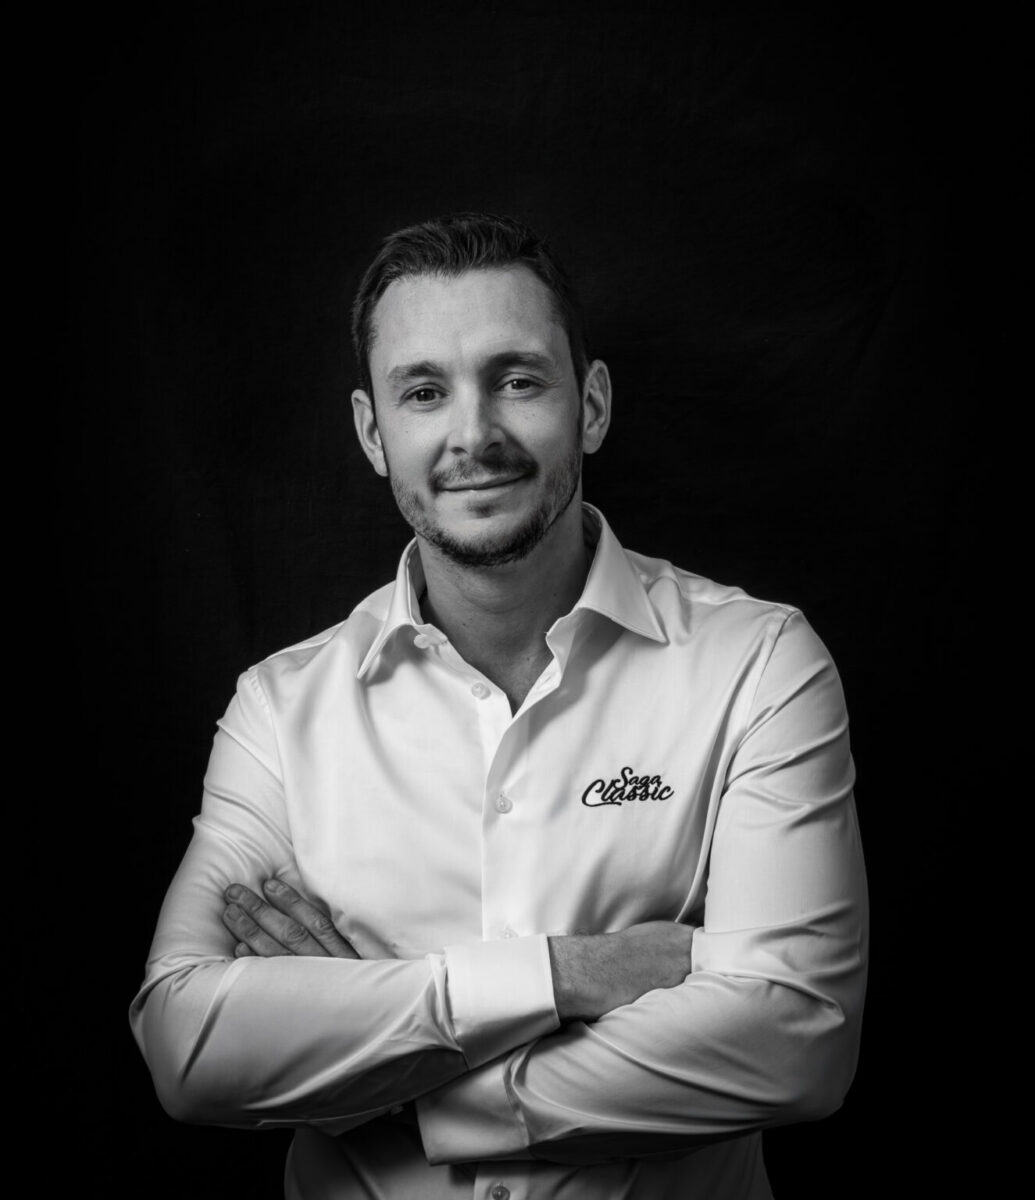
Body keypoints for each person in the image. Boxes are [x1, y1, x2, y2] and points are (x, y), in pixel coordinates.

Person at [130, 211, 868, 1199]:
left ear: (590, 406)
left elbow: (797, 1046)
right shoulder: (279, 710)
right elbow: (187, 1049)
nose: (472, 435)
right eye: (424, 392)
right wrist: (570, 975)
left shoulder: (758, 666)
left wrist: (373, 1075)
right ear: (373, 433)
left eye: (517, 380)